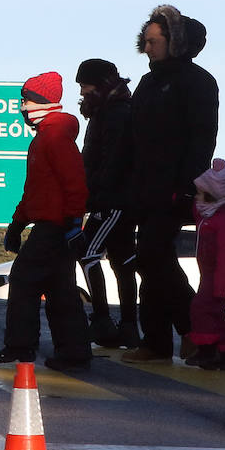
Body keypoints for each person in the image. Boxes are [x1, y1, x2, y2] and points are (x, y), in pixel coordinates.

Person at [123, 5, 217, 365]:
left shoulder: (198, 82)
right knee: (152, 260)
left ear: (174, 43)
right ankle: (158, 341)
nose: (147, 48)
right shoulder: (148, 83)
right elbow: (131, 138)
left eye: (154, 41)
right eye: (144, 41)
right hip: (143, 188)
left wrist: (188, 185)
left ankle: (193, 331)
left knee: (151, 256)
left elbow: (201, 138)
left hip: (175, 189)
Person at [0, 72, 92, 372]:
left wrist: (74, 222)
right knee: (61, 289)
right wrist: (17, 224)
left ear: (43, 102)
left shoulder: (55, 137)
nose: (22, 107)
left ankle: (20, 347)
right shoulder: (46, 136)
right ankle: (74, 351)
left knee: (23, 281)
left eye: (26, 100)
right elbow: (34, 191)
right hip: (54, 225)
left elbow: (75, 183)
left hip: (54, 227)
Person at [73, 58, 139, 347]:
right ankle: (127, 326)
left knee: (87, 252)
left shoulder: (115, 114)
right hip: (116, 198)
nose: (82, 92)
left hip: (112, 200)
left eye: (84, 85)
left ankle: (103, 319)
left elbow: (111, 160)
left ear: (99, 85)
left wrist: (94, 196)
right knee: (123, 261)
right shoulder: (108, 110)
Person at [187, 159, 225, 371]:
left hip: (215, 277)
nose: (196, 198)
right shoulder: (207, 215)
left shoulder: (222, 221)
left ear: (211, 195)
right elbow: (195, 210)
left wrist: (221, 286)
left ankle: (208, 350)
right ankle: (223, 352)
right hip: (208, 275)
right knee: (216, 313)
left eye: (200, 193)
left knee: (201, 308)